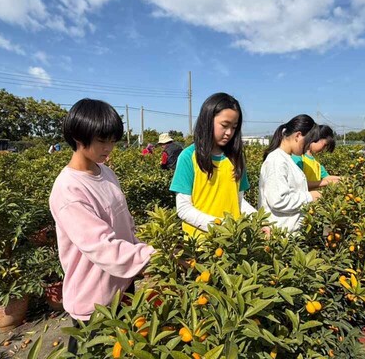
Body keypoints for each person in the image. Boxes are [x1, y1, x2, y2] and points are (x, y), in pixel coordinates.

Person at [49, 98, 155, 354]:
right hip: (93, 301)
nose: (109, 148)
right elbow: (102, 247)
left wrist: (142, 246)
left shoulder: (106, 172)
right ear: (77, 136)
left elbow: (124, 223)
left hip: (123, 286)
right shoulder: (68, 190)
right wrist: (153, 256)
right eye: (101, 140)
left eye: (113, 140)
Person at [169, 92, 256, 238]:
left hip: (232, 242)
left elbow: (238, 200)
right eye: (224, 125)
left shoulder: (235, 158)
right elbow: (183, 208)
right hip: (202, 245)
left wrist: (259, 220)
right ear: (207, 121)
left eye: (234, 127)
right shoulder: (188, 157)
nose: (229, 132)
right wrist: (219, 225)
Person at [259, 114, 321, 235]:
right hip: (279, 237)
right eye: (308, 143)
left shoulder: (286, 159)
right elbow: (278, 200)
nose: (308, 148)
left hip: (288, 235)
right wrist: (310, 197)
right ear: (298, 136)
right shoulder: (276, 160)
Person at [291, 125, 341, 189]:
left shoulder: (315, 159)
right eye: (324, 145)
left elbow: (326, 176)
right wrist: (327, 182)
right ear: (316, 139)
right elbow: (299, 184)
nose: (323, 149)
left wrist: (343, 179)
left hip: (313, 197)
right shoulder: (298, 158)